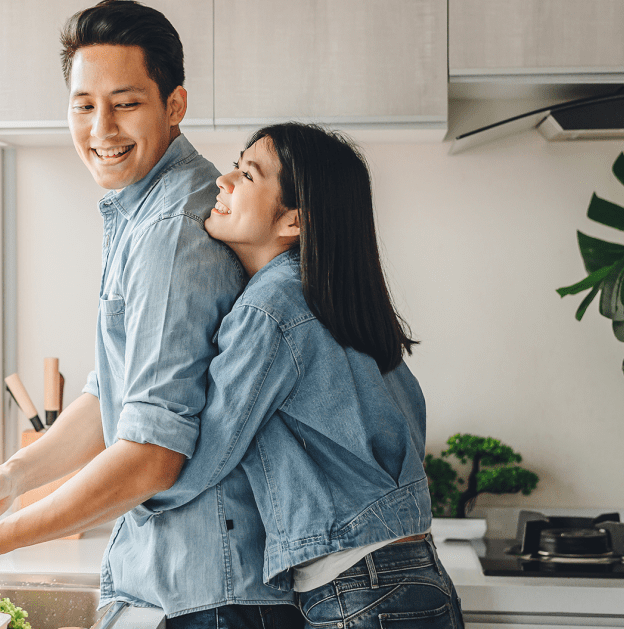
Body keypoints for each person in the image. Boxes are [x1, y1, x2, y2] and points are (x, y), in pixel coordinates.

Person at [0, 0, 301, 628]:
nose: (101, 128)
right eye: (84, 105)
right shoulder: (146, 209)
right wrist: (10, 478)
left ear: (175, 106)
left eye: (126, 102)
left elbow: (150, 453)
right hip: (197, 585)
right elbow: (115, 395)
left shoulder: (170, 230)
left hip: (208, 594)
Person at [140, 122, 464, 627]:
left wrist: (130, 497)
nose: (223, 182)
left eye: (247, 175)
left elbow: (209, 453)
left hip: (361, 588)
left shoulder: (271, 309)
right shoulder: (334, 302)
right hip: (414, 575)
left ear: (293, 220)